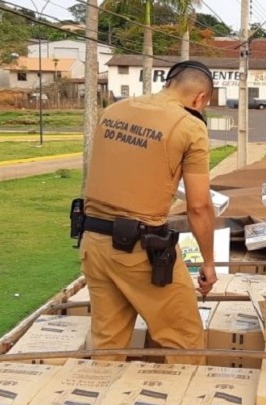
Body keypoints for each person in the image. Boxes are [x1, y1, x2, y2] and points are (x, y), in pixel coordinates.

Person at [80, 60, 218, 365]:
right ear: (200, 99)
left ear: (168, 84)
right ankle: (183, 396)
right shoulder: (189, 127)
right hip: (141, 250)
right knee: (185, 340)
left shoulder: (113, 111)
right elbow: (198, 206)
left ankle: (100, 392)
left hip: (94, 243)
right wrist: (208, 263)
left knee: (108, 342)